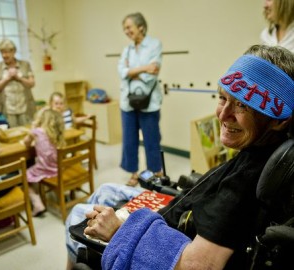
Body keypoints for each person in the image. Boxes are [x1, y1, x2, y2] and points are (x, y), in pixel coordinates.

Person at [65, 44, 294, 270]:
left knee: (76, 215)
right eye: (223, 98)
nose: (223, 115)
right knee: (106, 190)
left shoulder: (242, 186)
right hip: (184, 212)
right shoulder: (267, 150)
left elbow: (198, 266)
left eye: (242, 106)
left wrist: (118, 231)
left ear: (279, 120)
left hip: (176, 235)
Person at [118, 12, 163, 186]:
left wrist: (132, 72)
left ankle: (155, 172)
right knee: (129, 140)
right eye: (125, 29)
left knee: (152, 139)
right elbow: (121, 72)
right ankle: (134, 173)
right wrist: (143, 69)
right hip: (127, 102)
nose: (126, 31)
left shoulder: (154, 45)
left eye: (129, 27)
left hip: (149, 102)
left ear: (141, 27)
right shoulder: (127, 50)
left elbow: (153, 74)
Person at [23, 109, 65, 217]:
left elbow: (26, 143)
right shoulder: (57, 133)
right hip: (59, 169)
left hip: (45, 169)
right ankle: (61, 194)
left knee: (23, 176)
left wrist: (33, 126)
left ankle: (36, 201)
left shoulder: (37, 131)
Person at [0, 38, 36, 127]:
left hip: (25, 109)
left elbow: (32, 83)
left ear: (14, 52)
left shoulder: (25, 65)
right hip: (7, 111)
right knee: (11, 135)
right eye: (2, 52)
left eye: (7, 52)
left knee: (27, 132)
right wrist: (7, 78)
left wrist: (19, 78)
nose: (4, 55)